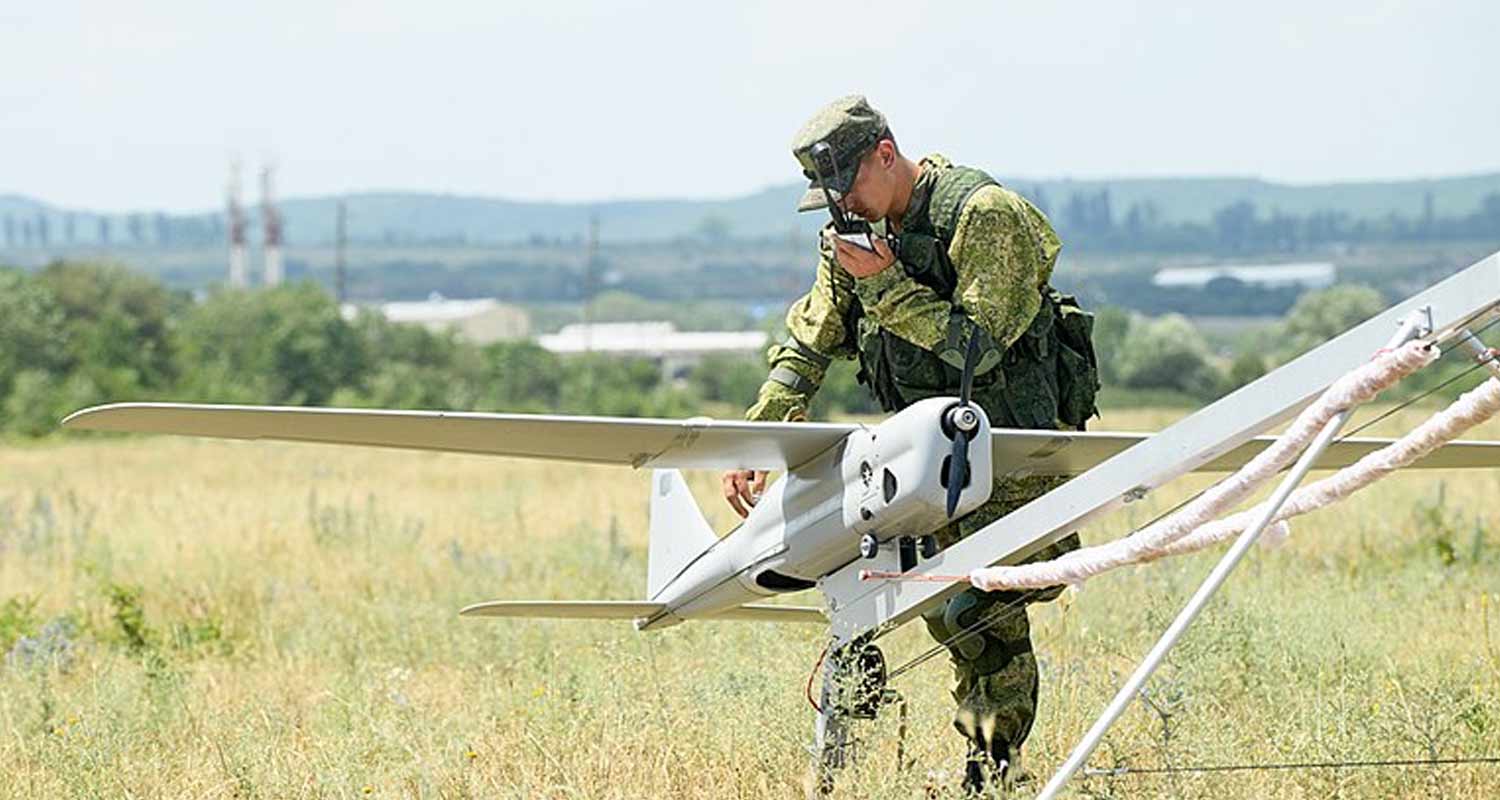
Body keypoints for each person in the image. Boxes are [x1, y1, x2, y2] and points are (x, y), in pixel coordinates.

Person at [721, 95, 1099, 793]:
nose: (844, 207)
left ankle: (992, 773)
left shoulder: (984, 216)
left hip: (1014, 459)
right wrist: (762, 428)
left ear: (887, 155)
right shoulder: (851, 233)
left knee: (979, 611)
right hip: (924, 466)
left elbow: (977, 350)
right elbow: (812, 338)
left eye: (850, 186)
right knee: (891, 599)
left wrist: (886, 285)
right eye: (830, 197)